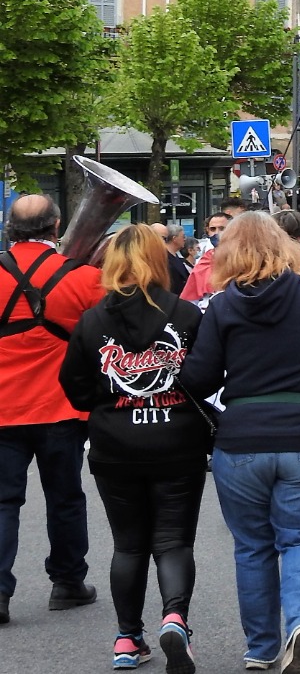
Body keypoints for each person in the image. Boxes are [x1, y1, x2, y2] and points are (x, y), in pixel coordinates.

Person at [180, 211, 300, 673]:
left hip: (242, 437)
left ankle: (261, 647)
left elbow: (199, 377)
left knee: (252, 545)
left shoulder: (223, 304)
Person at [58, 224, 210, 673]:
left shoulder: (93, 319)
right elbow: (204, 379)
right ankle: (176, 618)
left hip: (115, 446)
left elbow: (75, 387)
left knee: (128, 545)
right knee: (173, 540)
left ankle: (127, 639)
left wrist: (110, 403)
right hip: (177, 442)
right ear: (157, 259)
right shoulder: (185, 315)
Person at [0, 195, 103, 627]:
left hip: (3, 407)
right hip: (62, 407)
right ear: (55, 226)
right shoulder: (84, 277)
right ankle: (66, 583)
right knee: (65, 496)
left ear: (9, 228)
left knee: (3, 501)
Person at [154, 223, 192, 299]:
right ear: (174, 239)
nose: (185, 239)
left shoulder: (177, 256)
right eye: (183, 236)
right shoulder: (162, 258)